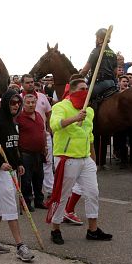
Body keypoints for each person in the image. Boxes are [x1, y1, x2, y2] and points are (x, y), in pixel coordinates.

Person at [47, 77, 112, 245]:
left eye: (87, 89)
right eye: (82, 89)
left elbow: (90, 135)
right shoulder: (60, 106)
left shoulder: (89, 110)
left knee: (93, 192)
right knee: (62, 196)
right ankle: (55, 229)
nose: (86, 92)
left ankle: (93, 230)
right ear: (72, 91)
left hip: (85, 159)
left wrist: (93, 158)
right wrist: (75, 118)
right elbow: (54, 125)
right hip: (66, 158)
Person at [0, 90, 35, 262]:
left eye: (18, 102)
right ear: (5, 103)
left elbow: (13, 147)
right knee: (11, 204)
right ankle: (20, 246)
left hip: (10, 170)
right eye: (12, 102)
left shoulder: (13, 123)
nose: (16, 105)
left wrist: (19, 163)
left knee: (0, 204)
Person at [16, 92, 47, 210]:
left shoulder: (38, 115)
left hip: (39, 153)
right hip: (25, 153)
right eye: (28, 103)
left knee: (39, 178)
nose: (30, 105)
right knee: (26, 180)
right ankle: (26, 203)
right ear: (23, 104)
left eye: (33, 102)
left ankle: (39, 201)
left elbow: (43, 131)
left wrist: (45, 146)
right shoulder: (19, 117)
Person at [78, 28, 118, 103]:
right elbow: (116, 72)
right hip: (112, 83)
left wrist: (76, 79)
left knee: (80, 96)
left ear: (100, 39)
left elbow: (85, 71)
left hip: (99, 83)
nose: (95, 40)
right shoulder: (113, 53)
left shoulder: (96, 51)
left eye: (96, 38)